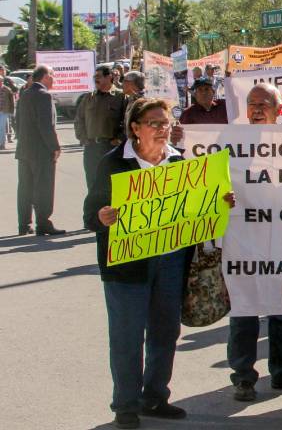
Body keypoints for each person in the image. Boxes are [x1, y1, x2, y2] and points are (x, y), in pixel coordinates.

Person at [84, 98, 237, 429]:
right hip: (127, 267)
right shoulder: (114, 164)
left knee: (165, 332)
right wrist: (102, 216)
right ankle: (125, 403)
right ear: (135, 128)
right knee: (126, 337)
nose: (162, 129)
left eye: (166, 122)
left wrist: (220, 202)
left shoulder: (180, 162)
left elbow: (196, 210)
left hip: (170, 263)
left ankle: (155, 396)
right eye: (154, 123)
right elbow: (90, 214)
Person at [228, 85, 282, 402]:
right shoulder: (230, 142)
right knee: (244, 311)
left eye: (264, 103)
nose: (257, 109)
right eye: (252, 104)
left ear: (280, 109)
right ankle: (243, 378)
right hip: (243, 241)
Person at [15, 65, 63, 236]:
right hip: (41, 151)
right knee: (43, 187)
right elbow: (46, 125)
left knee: (25, 188)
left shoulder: (24, 95)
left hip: (24, 149)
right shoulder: (44, 96)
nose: (54, 79)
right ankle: (43, 223)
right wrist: (55, 147)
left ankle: (24, 224)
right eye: (53, 75)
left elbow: (17, 122)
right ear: (45, 76)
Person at [75, 64, 129, 190]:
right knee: (93, 184)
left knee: (112, 186)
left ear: (109, 76)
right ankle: (94, 210)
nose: (95, 79)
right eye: (94, 76)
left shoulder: (121, 97)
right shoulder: (88, 97)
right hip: (91, 148)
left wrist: (120, 139)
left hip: (111, 148)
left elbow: (127, 122)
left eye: (99, 76)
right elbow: (79, 120)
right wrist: (83, 138)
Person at [0, 66, 14, 150]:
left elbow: (12, 101)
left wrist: (11, 111)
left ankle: (2, 144)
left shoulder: (7, 89)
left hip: (4, 111)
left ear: (2, 81)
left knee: (2, 127)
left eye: (0, 81)